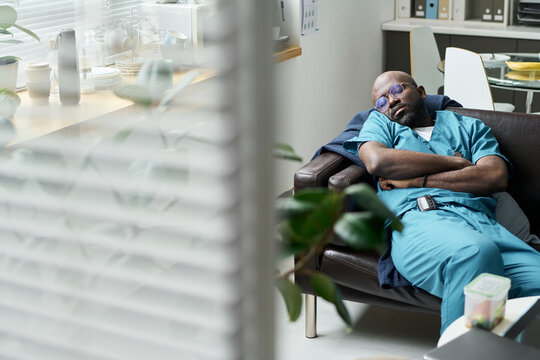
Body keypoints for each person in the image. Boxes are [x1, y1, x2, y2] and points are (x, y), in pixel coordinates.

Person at [343, 70, 540, 333]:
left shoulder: (469, 127)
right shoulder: (381, 125)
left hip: (481, 221)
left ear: (422, 91)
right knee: (475, 253)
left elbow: (494, 175)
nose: (390, 101)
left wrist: (416, 181)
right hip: (420, 219)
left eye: (397, 90)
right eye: (381, 101)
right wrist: (457, 163)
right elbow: (378, 161)